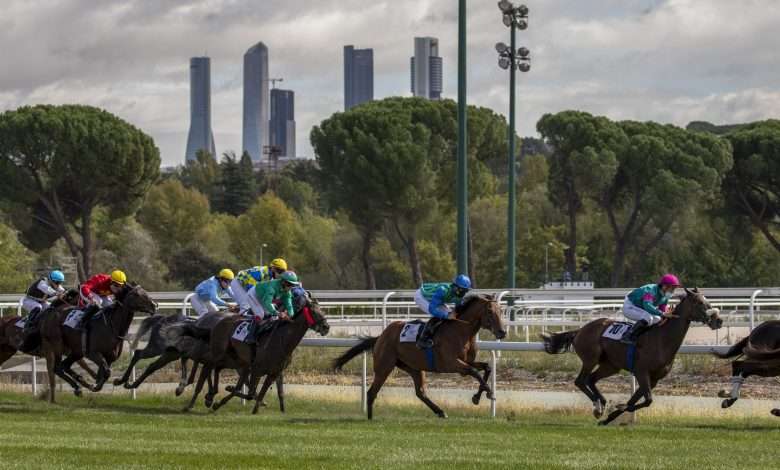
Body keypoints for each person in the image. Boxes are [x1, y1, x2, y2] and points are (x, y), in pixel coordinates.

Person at [413, 274, 472, 349]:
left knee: (450, 314)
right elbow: (432, 309)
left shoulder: (457, 293)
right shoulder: (443, 290)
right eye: (462, 290)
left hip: (436, 299)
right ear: (456, 287)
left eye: (466, 291)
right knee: (439, 315)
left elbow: (458, 307)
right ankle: (422, 340)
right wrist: (446, 315)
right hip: (421, 296)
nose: (464, 293)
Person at [620, 274, 681, 344]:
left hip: (640, 308)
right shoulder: (651, 290)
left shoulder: (665, 296)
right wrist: (663, 314)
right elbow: (647, 305)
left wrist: (665, 316)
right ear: (665, 286)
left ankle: (641, 336)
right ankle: (627, 336)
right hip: (630, 306)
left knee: (657, 319)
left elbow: (662, 309)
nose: (673, 291)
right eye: (672, 288)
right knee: (647, 317)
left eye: (674, 289)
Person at [244, 271, 300, 343]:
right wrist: (278, 313)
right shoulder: (272, 287)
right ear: (283, 282)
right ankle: (250, 336)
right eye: (290, 284)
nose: (291, 287)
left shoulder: (287, 291)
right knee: (261, 314)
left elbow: (288, 304)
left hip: (263, 297)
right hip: (253, 295)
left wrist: (290, 314)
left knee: (270, 314)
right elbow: (267, 303)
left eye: (292, 285)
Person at [20, 270, 66, 351]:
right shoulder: (42, 283)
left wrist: (65, 294)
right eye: (57, 282)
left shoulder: (55, 284)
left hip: (41, 301)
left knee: (52, 309)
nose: (59, 285)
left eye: (60, 283)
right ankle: (29, 325)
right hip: (28, 300)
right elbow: (48, 290)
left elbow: (62, 291)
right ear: (51, 280)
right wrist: (58, 293)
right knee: (38, 307)